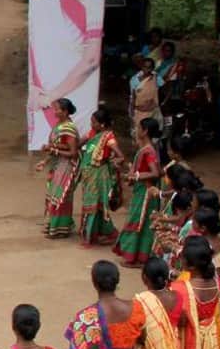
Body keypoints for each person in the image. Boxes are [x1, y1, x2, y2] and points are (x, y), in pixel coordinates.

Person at [27, 0, 102, 146]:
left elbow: (91, 60)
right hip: (42, 97)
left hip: (75, 95)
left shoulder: (95, 3)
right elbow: (35, 50)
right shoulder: (45, 5)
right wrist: (33, 87)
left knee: (74, 147)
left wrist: (51, 98)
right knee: (50, 150)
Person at [113, 118, 163, 267]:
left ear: (145, 131)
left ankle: (137, 258)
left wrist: (135, 176)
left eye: (139, 128)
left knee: (139, 222)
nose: (137, 130)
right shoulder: (147, 149)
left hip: (145, 193)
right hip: (141, 190)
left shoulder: (148, 151)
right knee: (141, 222)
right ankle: (138, 256)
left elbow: (155, 173)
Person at [37, 98, 81, 239]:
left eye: (58, 109)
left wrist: (54, 151)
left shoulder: (69, 128)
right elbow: (56, 146)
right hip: (57, 165)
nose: (55, 112)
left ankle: (59, 229)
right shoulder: (59, 125)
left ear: (66, 111)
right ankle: (54, 227)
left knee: (60, 198)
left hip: (66, 165)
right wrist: (45, 161)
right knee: (53, 196)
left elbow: (73, 152)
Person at [78, 109, 123, 247]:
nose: (91, 124)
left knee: (93, 205)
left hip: (99, 175)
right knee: (92, 204)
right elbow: (79, 144)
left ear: (102, 124)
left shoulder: (109, 138)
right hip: (88, 174)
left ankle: (89, 237)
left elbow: (120, 156)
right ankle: (105, 233)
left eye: (94, 122)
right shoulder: (93, 134)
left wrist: (115, 162)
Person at [130, 57, 161, 126]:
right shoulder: (135, 80)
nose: (147, 69)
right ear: (142, 67)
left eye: (149, 67)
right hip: (139, 111)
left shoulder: (156, 78)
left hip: (152, 112)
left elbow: (161, 91)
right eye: (145, 67)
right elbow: (133, 97)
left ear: (153, 68)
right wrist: (132, 114)